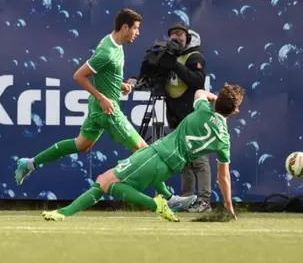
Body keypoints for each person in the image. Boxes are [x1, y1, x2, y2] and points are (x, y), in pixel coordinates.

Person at [14, 9, 196, 212]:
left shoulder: (115, 44)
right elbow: (79, 76)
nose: (137, 33)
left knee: (80, 144)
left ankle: (29, 163)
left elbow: (105, 76)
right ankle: (169, 198)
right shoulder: (106, 52)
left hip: (97, 108)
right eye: (135, 28)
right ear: (125, 27)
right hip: (108, 111)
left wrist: (121, 86)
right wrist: (103, 99)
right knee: (145, 151)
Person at [41, 84, 244, 222]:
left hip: (158, 154)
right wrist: (228, 206)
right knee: (107, 182)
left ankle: (156, 204)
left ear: (217, 102)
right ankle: (62, 214)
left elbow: (200, 92)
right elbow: (223, 177)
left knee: (105, 182)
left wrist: (217, 100)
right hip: (170, 165)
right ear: (234, 111)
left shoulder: (203, 110)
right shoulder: (224, 139)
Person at [160, 22, 211, 212]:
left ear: (187, 37)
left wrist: (174, 65)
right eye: (172, 34)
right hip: (177, 118)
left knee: (199, 160)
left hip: (195, 117)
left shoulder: (194, 55)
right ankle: (187, 199)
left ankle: (204, 201)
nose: (176, 37)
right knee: (184, 163)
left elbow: (198, 81)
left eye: (180, 34)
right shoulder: (169, 57)